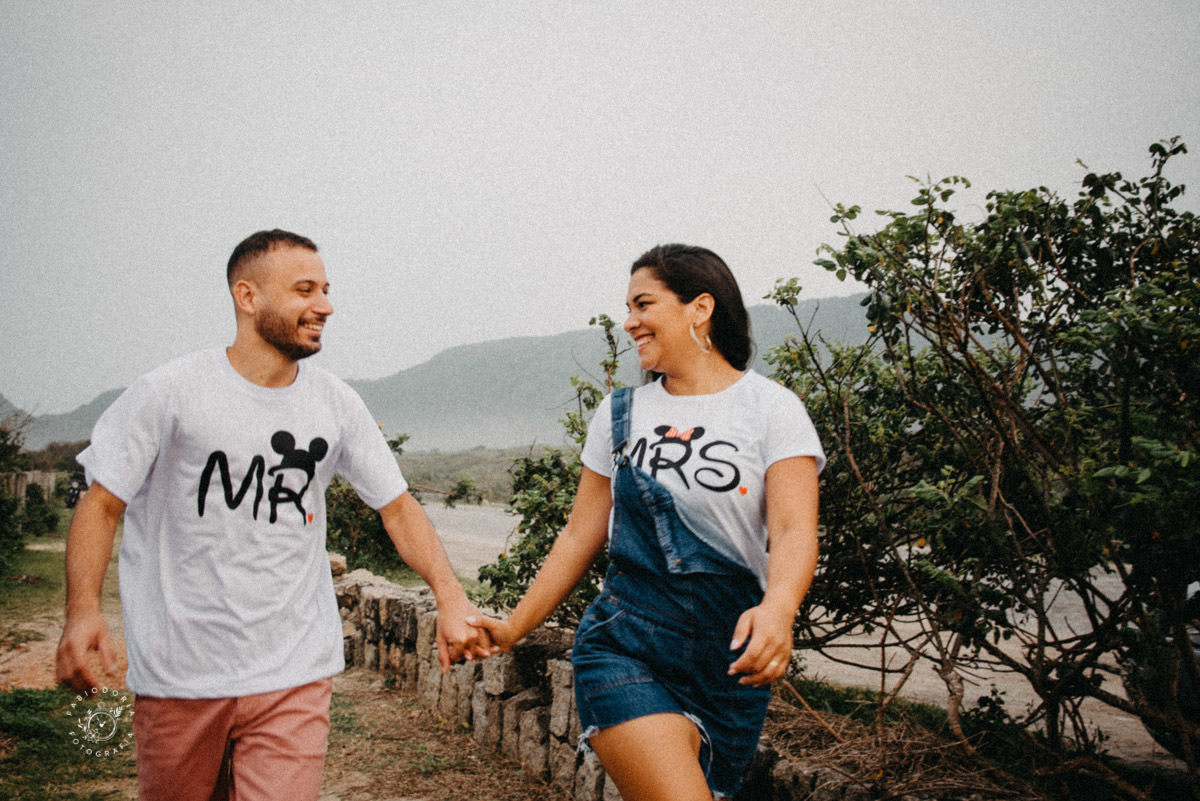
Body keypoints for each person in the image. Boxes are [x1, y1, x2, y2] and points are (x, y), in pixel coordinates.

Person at [54, 229, 489, 801]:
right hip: (180, 674)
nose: (326, 306)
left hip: (294, 671)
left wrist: (451, 595)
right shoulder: (170, 392)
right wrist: (82, 610)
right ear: (247, 296)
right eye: (305, 289)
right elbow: (102, 503)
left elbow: (398, 508)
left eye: (327, 290)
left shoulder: (335, 402)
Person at [470, 244, 824, 800]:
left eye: (643, 304)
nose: (629, 322)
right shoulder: (620, 414)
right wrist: (516, 627)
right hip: (624, 643)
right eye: (628, 307)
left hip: (728, 665)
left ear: (699, 308)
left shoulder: (772, 408)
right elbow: (579, 535)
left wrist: (780, 608)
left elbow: (795, 530)